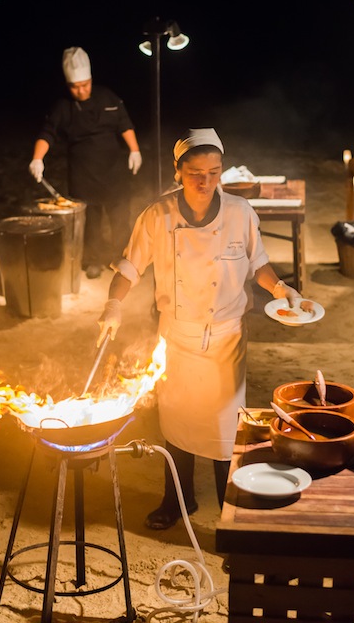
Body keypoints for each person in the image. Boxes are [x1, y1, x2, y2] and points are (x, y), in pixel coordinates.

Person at [97, 128, 311, 529]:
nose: (205, 182)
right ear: (179, 172)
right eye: (195, 173)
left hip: (227, 338)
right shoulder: (157, 216)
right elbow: (129, 266)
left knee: (222, 431)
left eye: (214, 173)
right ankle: (177, 502)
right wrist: (113, 304)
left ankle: (228, 509)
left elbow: (258, 264)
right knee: (176, 426)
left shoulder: (240, 212)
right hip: (177, 336)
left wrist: (283, 289)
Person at [29, 47, 142, 279]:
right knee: (90, 221)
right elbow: (47, 133)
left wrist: (135, 150)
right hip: (83, 174)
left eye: (85, 84)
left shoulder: (108, 97)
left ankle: (126, 260)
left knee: (121, 217)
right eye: (75, 87)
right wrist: (37, 158)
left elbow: (124, 124)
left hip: (114, 171)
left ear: (91, 79)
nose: (81, 90)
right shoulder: (63, 107)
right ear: (68, 85)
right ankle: (93, 261)